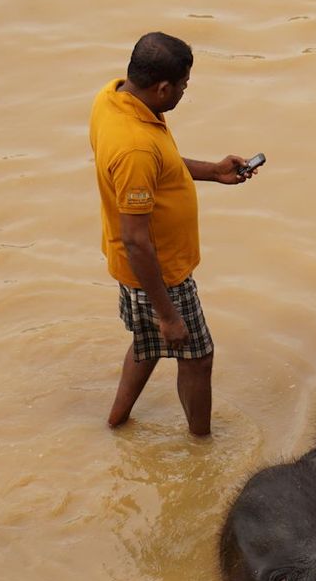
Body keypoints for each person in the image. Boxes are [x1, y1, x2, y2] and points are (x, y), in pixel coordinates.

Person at [90, 31, 259, 435]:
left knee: (147, 347)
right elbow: (136, 238)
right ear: (163, 87)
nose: (184, 91)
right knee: (197, 356)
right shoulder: (134, 147)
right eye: (183, 85)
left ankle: (115, 423)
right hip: (160, 271)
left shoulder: (112, 99)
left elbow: (159, 166)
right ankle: (202, 445)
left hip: (136, 268)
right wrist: (167, 313)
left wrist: (213, 172)